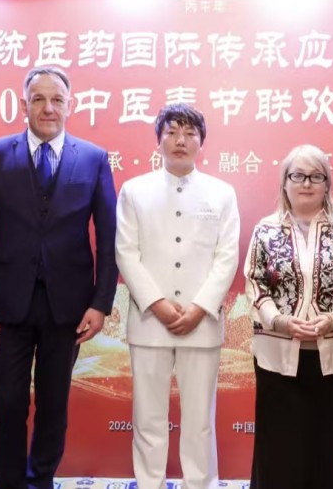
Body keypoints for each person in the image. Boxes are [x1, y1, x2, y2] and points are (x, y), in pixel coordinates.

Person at [0, 66, 118, 489]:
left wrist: (101, 303)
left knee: (53, 407)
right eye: (39, 99)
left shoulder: (93, 158)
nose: (48, 108)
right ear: (23, 104)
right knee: (9, 404)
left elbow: (108, 238)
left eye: (57, 100)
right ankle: (9, 483)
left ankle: (40, 480)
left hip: (68, 309)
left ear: (70, 105)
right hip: (5, 307)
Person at [115, 103, 240, 489]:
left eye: (189, 133)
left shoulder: (222, 193)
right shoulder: (134, 190)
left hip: (202, 323)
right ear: (158, 141)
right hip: (149, 322)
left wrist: (200, 307)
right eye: (171, 132)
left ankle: (199, 484)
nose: (180, 141)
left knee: (199, 420)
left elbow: (227, 256)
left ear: (202, 142)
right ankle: (149, 483)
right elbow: (126, 252)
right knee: (148, 417)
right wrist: (158, 304)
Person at [243, 144, 333, 489]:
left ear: (327, 184)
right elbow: (254, 284)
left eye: (316, 176)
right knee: (277, 450)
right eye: (297, 175)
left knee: (325, 448)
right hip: (277, 357)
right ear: (284, 182)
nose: (306, 183)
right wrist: (278, 321)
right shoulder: (266, 230)